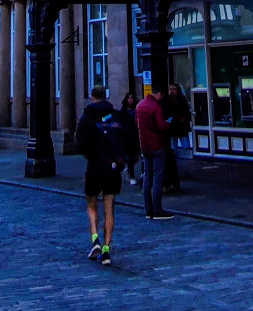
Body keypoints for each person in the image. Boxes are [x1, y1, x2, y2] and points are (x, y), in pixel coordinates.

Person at [73, 87, 125, 267]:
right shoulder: (116, 116)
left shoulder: (87, 117)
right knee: (109, 207)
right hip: (112, 167)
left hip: (95, 165)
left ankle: (95, 238)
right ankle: (106, 249)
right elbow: (126, 139)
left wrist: (90, 155)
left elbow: (80, 142)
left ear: (92, 97)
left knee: (91, 204)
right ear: (105, 96)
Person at [133, 87, 172, 219]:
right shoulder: (156, 107)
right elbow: (161, 126)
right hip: (157, 145)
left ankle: (148, 209)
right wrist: (168, 123)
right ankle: (157, 209)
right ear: (159, 93)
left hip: (145, 145)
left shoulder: (140, 105)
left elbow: (137, 123)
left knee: (147, 176)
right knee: (157, 177)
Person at [162, 84, 191, 192]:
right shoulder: (168, 101)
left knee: (185, 147)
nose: (172, 91)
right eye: (170, 89)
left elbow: (186, 112)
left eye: (174, 89)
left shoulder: (182, 100)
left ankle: (184, 167)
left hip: (181, 127)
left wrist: (184, 119)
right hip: (173, 128)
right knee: (173, 148)